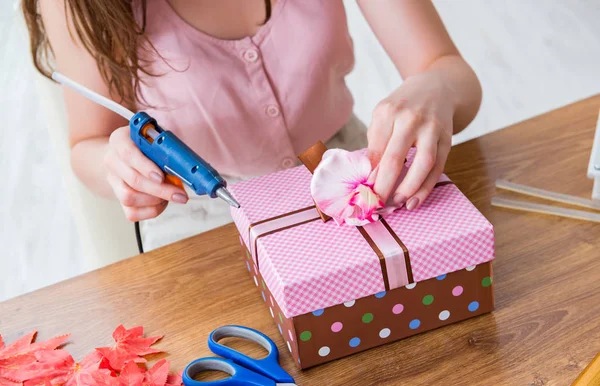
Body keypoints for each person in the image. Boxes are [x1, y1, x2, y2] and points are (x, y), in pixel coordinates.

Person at [23, 0, 481, 251]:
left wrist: (437, 86)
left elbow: (450, 73)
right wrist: (114, 161)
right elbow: (87, 143)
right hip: (201, 221)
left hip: (351, 175)